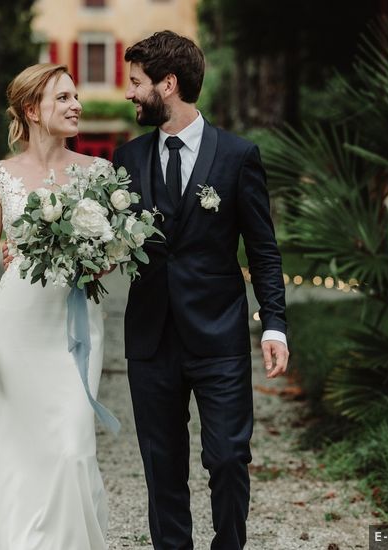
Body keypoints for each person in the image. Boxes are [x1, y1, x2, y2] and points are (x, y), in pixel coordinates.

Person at [113, 32, 289, 549]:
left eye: (137, 82)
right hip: (151, 340)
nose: (130, 93)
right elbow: (100, 242)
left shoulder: (238, 157)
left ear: (168, 85)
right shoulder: (126, 159)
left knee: (230, 458)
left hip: (219, 340)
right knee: (161, 467)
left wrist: (273, 322)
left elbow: (263, 250)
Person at [0, 63, 110, 550]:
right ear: (32, 110)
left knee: (72, 445)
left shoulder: (99, 173)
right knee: (24, 446)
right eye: (62, 98)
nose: (75, 106)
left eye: (75, 97)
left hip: (77, 321)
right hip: (19, 322)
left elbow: (110, 256)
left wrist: (96, 259)